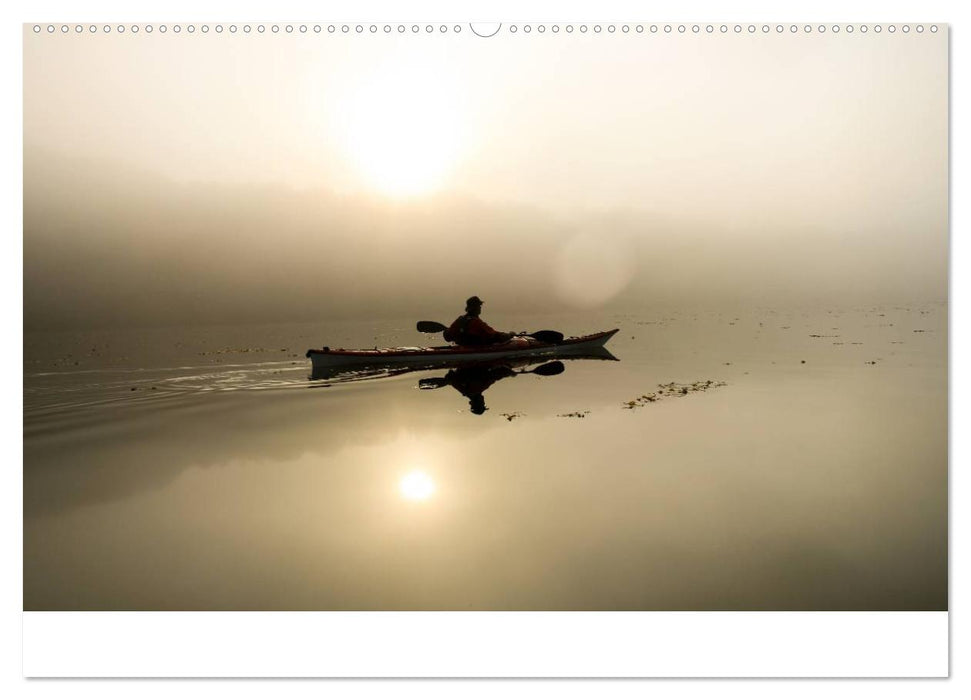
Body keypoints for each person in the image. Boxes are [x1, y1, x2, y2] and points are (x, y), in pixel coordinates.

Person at [443, 296, 517, 346]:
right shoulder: (477, 322)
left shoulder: (460, 320)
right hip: (475, 349)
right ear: (475, 308)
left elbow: (447, 336)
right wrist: (510, 335)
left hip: (462, 347)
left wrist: (446, 331)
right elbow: (495, 335)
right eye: (479, 306)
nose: (480, 308)